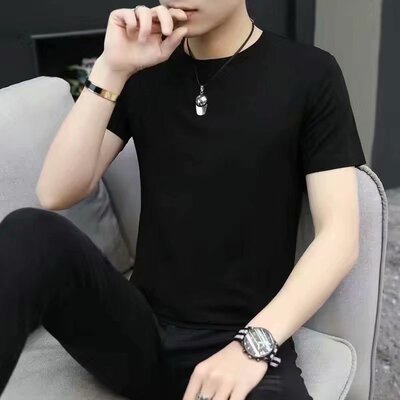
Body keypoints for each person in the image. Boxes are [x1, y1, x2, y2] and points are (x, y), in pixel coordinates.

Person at [0, 1, 366, 399]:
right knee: (30, 231)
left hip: (238, 339)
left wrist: (252, 346)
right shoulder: (144, 69)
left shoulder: (310, 73)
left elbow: (339, 236)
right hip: (137, 333)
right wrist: (112, 68)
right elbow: (56, 192)